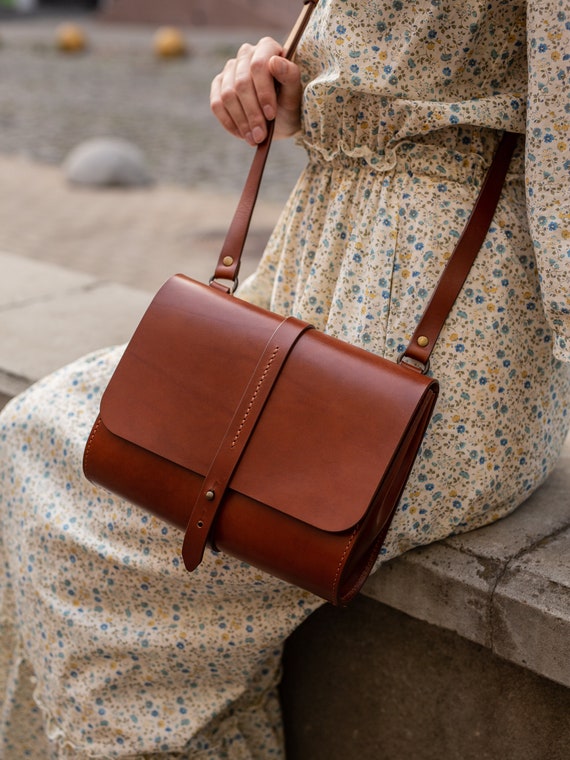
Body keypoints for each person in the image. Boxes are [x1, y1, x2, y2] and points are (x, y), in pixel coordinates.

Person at [1, 0, 569, 757]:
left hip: (445, 308)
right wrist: (284, 85)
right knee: (36, 435)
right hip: (320, 260)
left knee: (83, 495)